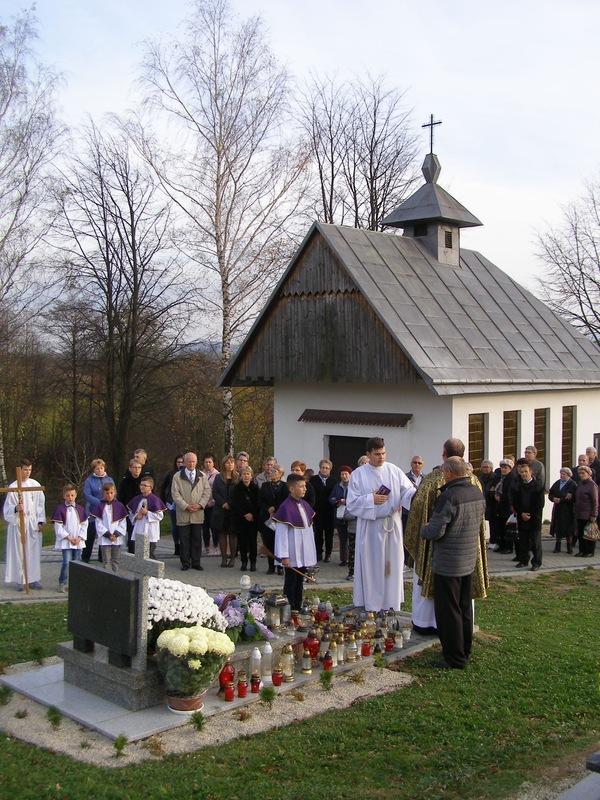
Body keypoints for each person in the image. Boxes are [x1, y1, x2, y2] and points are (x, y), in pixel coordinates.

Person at [404, 439, 489, 636]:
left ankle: (426, 623)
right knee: (461, 598)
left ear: (444, 455)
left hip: (439, 551)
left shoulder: (432, 480)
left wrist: (422, 532)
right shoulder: (474, 480)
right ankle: (462, 631)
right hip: (467, 549)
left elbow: (417, 513)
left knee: (446, 594)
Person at [421, 457, 485, 669]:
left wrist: (424, 528)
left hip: (448, 563)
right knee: (464, 608)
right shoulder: (476, 492)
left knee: (449, 612)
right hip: (467, 560)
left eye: (443, 472)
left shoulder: (448, 496)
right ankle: (465, 650)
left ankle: (454, 658)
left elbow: (435, 531)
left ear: (448, 473)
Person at [346, 437, 415, 612]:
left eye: (383, 453)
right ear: (368, 454)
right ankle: (372, 603)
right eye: (377, 454)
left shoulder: (394, 470)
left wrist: (417, 497)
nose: (381, 457)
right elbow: (351, 503)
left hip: (392, 525)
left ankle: (390, 602)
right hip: (370, 528)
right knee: (372, 566)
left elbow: (408, 491)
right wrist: (371, 499)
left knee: (391, 565)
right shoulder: (358, 474)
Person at [273, 473, 317, 611]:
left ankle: (297, 607)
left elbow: (308, 531)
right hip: (291, 554)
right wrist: (284, 556)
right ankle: (289, 609)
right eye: (301, 486)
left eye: (305, 486)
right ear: (291, 489)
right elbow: (281, 535)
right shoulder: (285, 507)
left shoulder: (304, 505)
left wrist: (309, 552)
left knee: (299, 582)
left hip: (302, 553)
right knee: (290, 582)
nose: (305, 489)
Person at [3, 459, 46, 590]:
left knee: (33, 551)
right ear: (20, 470)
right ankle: (20, 579)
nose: (28, 472)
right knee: (19, 552)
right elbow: (7, 509)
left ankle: (33, 579)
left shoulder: (35, 485)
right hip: (18, 523)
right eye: (25, 469)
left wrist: (40, 521)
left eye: (29, 470)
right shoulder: (13, 487)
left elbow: (40, 504)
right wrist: (16, 508)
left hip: (32, 523)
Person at [171, 452, 211, 571]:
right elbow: (175, 494)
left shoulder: (202, 476)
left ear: (196, 462)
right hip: (183, 513)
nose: (191, 463)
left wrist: (200, 505)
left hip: (197, 513)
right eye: (189, 461)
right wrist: (185, 506)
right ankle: (185, 563)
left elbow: (207, 492)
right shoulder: (177, 476)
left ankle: (196, 562)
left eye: (193, 461)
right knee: (184, 540)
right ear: (184, 462)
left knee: (197, 539)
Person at [510, 458, 545, 571]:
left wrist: (529, 514)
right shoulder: (518, 486)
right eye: (522, 472)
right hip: (522, 517)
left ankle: (536, 562)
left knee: (535, 542)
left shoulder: (538, 486)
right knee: (523, 541)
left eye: (526, 471)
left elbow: (539, 504)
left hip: (534, 517)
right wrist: (521, 513)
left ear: (531, 472)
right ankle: (523, 560)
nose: (524, 474)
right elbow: (516, 502)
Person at [52, 483, 87, 592]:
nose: (70, 497)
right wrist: (69, 537)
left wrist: (80, 538)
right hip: (67, 542)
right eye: (68, 495)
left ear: (76, 495)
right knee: (66, 562)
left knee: (77, 563)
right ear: (64, 496)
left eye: (72, 495)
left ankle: (76, 583)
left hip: (78, 541)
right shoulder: (60, 509)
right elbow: (58, 527)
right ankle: (62, 583)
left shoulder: (80, 509)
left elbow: (84, 525)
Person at [82, 458, 114, 563]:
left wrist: (108, 502)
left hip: (106, 510)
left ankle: (102, 556)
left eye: (101, 468)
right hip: (93, 509)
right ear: (93, 470)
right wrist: (100, 502)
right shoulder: (89, 480)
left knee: (104, 531)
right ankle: (85, 557)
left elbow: (113, 492)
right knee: (90, 534)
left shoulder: (109, 480)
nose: (99, 470)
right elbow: (87, 495)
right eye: (97, 469)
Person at [91, 482, 127, 572]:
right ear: (103, 494)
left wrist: (115, 535)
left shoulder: (120, 506)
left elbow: (123, 523)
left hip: (116, 539)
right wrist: (108, 535)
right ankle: (106, 578)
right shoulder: (100, 506)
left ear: (115, 492)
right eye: (107, 493)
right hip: (105, 539)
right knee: (106, 561)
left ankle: (115, 577)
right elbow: (98, 523)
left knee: (115, 561)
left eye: (111, 493)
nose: (109, 495)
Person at [258, 464, 288, 574]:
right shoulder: (265, 485)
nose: (271, 473)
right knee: (268, 542)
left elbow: (286, 501)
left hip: (280, 518)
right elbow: (260, 500)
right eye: (271, 471)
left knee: (279, 543)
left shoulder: (285, 486)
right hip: (267, 518)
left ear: (280, 474)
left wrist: (275, 508)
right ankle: (271, 566)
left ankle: (280, 566)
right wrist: (268, 508)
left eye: (274, 471)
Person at [127, 476, 166, 560]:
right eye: (141, 485)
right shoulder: (137, 498)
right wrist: (136, 516)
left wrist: (147, 513)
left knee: (149, 555)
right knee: (137, 554)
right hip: (138, 528)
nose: (142, 487)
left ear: (150, 487)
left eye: (145, 485)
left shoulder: (155, 499)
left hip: (150, 530)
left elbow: (160, 516)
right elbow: (131, 513)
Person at [231, 466, 260, 571]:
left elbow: (258, 503)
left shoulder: (256, 488)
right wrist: (244, 514)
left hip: (253, 520)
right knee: (242, 542)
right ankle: (244, 562)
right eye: (244, 474)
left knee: (253, 542)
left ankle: (253, 562)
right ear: (241, 476)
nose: (246, 476)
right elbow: (235, 504)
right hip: (241, 519)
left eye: (248, 474)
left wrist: (252, 514)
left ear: (251, 476)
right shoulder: (237, 488)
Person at [212, 455, 238, 568]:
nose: (230, 464)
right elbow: (215, 492)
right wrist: (223, 503)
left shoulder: (237, 477)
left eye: (232, 462)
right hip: (221, 509)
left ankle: (232, 558)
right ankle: (223, 558)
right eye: (228, 462)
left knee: (233, 535)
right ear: (224, 464)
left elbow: (239, 493)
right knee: (222, 534)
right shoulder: (218, 477)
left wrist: (230, 504)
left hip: (233, 510)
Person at [309, 458, 336, 562]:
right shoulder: (313, 480)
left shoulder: (334, 481)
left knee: (329, 534)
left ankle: (328, 554)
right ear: (320, 468)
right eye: (323, 467)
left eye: (327, 468)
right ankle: (318, 553)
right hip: (317, 511)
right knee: (318, 534)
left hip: (330, 512)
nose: (324, 469)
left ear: (330, 469)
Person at [160, 454, 184, 556]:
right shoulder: (170, 474)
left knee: (183, 525)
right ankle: (176, 545)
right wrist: (163, 502)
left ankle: (183, 545)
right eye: (178, 462)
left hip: (184, 502)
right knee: (175, 525)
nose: (180, 464)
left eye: (182, 462)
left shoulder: (187, 474)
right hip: (172, 502)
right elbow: (163, 487)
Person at [548, 468, 577, 553]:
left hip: (568, 509)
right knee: (558, 527)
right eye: (561, 474)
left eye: (564, 474)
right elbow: (551, 493)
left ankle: (569, 547)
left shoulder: (572, 484)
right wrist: (553, 498)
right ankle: (557, 546)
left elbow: (573, 496)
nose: (561, 475)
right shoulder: (557, 483)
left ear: (568, 475)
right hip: (558, 509)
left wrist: (562, 500)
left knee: (568, 529)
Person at [490, 459, 516, 554]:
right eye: (502, 467)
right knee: (500, 527)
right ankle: (501, 545)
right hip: (499, 506)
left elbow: (511, 492)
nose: (503, 469)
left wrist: (501, 497)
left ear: (510, 468)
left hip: (507, 506)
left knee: (507, 527)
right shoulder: (499, 477)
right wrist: (493, 494)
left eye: (505, 468)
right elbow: (493, 488)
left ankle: (508, 547)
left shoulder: (512, 478)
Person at [328, 466, 352, 566]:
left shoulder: (354, 485)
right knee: (343, 539)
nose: (344, 476)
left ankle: (352, 559)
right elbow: (331, 499)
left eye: (346, 474)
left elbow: (358, 499)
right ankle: (344, 559)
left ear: (350, 475)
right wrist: (337, 501)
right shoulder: (337, 486)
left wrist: (347, 501)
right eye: (342, 474)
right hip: (340, 516)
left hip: (352, 517)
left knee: (352, 539)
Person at [118, 458, 143, 553]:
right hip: (129, 512)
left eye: (139, 467)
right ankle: (132, 552)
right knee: (131, 533)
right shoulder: (125, 481)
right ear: (130, 468)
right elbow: (121, 498)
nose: (137, 470)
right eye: (135, 467)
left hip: (142, 511)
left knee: (142, 534)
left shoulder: (144, 481)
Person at [574, 465, 598, 558]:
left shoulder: (592, 485)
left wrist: (594, 514)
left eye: (583, 473)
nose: (581, 475)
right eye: (579, 473)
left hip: (588, 514)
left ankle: (590, 551)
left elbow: (595, 502)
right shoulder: (580, 484)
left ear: (589, 474)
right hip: (579, 513)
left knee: (589, 533)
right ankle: (582, 550)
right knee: (580, 534)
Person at [201, 453, 220, 555]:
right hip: (202, 505)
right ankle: (206, 546)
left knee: (214, 526)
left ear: (213, 463)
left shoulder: (218, 475)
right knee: (204, 527)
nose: (208, 464)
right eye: (206, 462)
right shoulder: (200, 474)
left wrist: (212, 502)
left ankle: (216, 546)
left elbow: (218, 491)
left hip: (214, 505)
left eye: (210, 462)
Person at [477, 460, 496, 549]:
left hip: (491, 503)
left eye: (487, 467)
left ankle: (493, 540)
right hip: (482, 502)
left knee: (493, 523)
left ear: (491, 468)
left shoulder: (495, 478)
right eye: (483, 467)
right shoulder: (480, 478)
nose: (485, 469)